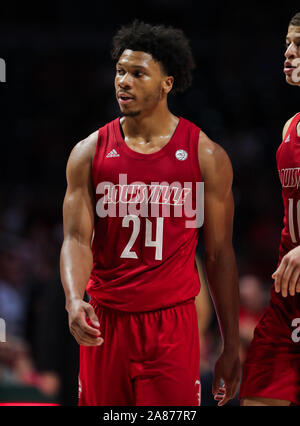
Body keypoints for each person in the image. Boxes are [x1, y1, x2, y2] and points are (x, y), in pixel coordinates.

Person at [60, 20, 240, 406]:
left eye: (138, 74)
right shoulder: (88, 153)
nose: (124, 81)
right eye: (120, 72)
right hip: (105, 319)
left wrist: (229, 344)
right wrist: (74, 299)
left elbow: (220, 255)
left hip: (171, 323)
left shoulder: (206, 156)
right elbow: (76, 239)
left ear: (166, 84)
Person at [240, 12, 300, 406]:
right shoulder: (290, 127)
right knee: (258, 397)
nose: (289, 54)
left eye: (299, 46)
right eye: (287, 45)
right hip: (288, 299)